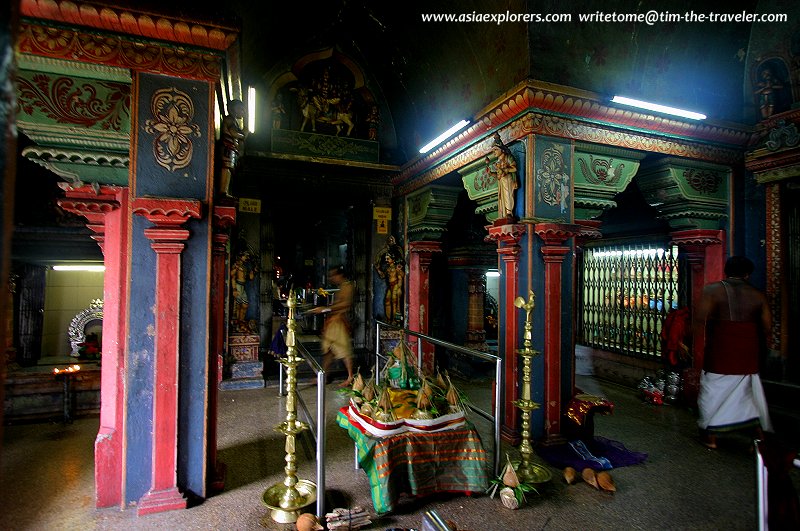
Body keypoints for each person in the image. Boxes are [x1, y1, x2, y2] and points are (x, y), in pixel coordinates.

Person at [696, 255, 773, 449]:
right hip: (747, 351)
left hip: (721, 350)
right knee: (747, 395)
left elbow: (699, 319)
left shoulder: (712, 290)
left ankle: (711, 437)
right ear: (748, 274)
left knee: (713, 392)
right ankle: (758, 434)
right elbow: (767, 326)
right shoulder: (758, 294)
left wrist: (688, 342)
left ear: (726, 270)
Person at [309, 266, 354, 386]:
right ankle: (324, 375)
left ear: (341, 275)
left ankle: (350, 377)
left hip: (339, 322)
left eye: (334, 275)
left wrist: (326, 309)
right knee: (328, 349)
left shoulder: (348, 286)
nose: (332, 278)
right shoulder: (341, 287)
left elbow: (346, 304)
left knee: (343, 349)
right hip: (334, 321)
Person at [484, 132, 518, 223]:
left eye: (495, 150)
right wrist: (491, 173)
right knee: (501, 197)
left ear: (501, 150)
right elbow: (498, 175)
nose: (494, 152)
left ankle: (509, 212)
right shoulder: (498, 161)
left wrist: (505, 170)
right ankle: (503, 214)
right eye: (493, 150)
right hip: (501, 180)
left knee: (508, 195)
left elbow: (514, 168)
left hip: (508, 180)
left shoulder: (508, 157)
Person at [218, 99, 247, 197]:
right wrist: (243, 135)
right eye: (241, 109)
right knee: (226, 167)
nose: (243, 112)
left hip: (232, 148)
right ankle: (223, 190)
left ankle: (225, 190)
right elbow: (233, 133)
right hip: (228, 146)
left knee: (229, 168)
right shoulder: (229, 119)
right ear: (235, 109)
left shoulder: (234, 120)